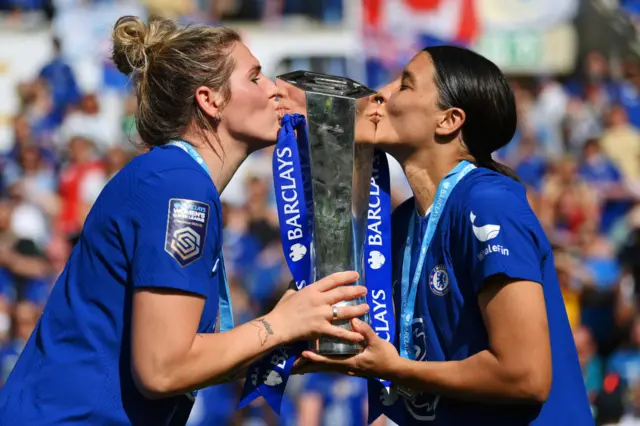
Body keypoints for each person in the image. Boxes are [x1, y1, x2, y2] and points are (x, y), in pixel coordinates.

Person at [0, 16, 369, 425]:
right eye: (256, 76)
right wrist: (277, 325)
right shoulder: (178, 186)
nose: (275, 89)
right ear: (210, 100)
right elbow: (161, 370)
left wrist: (281, 344)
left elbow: (181, 361)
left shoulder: (172, 178)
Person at [301, 46, 593, 425]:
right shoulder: (402, 223)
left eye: (405, 84)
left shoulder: (488, 203)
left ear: (449, 120)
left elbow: (525, 375)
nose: (382, 93)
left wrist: (397, 369)